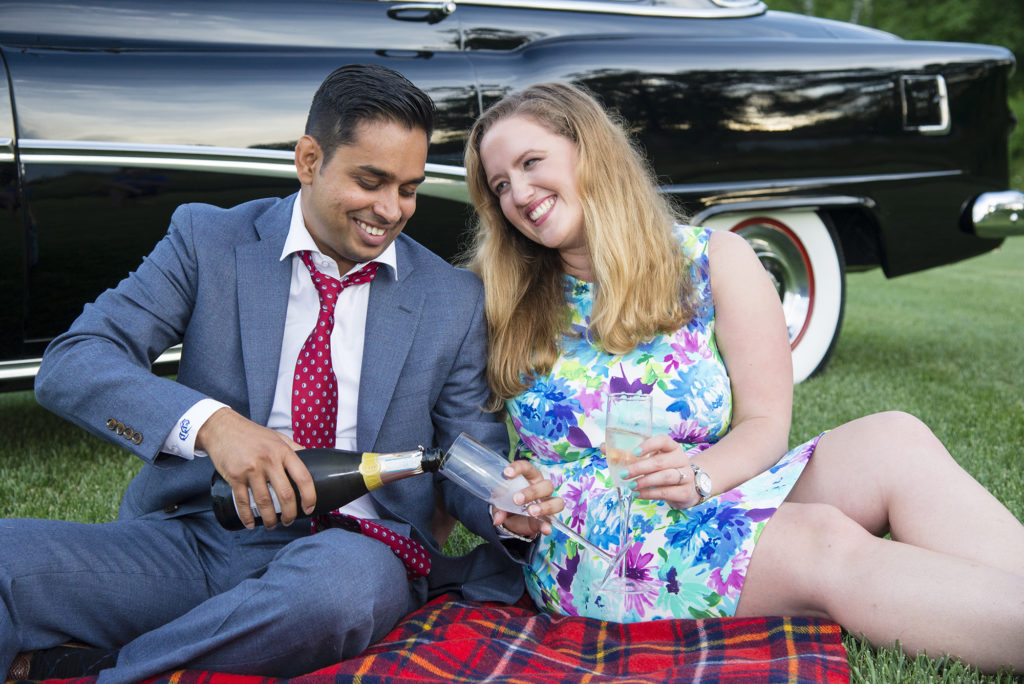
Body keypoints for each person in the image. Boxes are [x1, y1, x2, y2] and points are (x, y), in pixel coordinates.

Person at [3, 64, 558, 684]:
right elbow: (74, 359)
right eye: (369, 181)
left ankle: (91, 672)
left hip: (356, 553)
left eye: (408, 188)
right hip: (199, 537)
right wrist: (214, 427)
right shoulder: (206, 239)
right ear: (308, 159)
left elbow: (464, 457)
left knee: (337, 592)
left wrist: (505, 505)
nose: (390, 209)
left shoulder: (452, 298)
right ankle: (204, 644)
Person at [462, 81, 1024, 673]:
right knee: (822, 542)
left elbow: (764, 424)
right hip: (598, 540)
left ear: (589, 151)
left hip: (713, 484)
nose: (519, 194)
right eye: (500, 185)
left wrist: (700, 478)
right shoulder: (496, 298)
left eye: (531, 163)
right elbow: (465, 453)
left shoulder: (714, 259)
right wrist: (513, 497)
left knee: (895, 440)